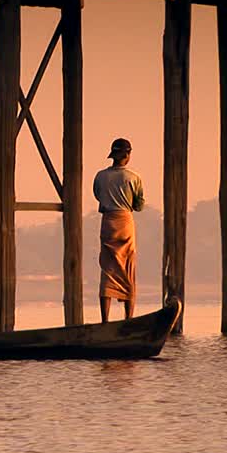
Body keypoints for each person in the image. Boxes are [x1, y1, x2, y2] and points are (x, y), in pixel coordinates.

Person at [93, 138, 144, 323]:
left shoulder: (100, 176)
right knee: (128, 268)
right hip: (125, 223)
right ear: (127, 155)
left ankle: (105, 320)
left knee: (107, 268)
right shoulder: (134, 178)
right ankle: (128, 318)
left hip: (108, 222)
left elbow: (97, 194)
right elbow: (138, 205)